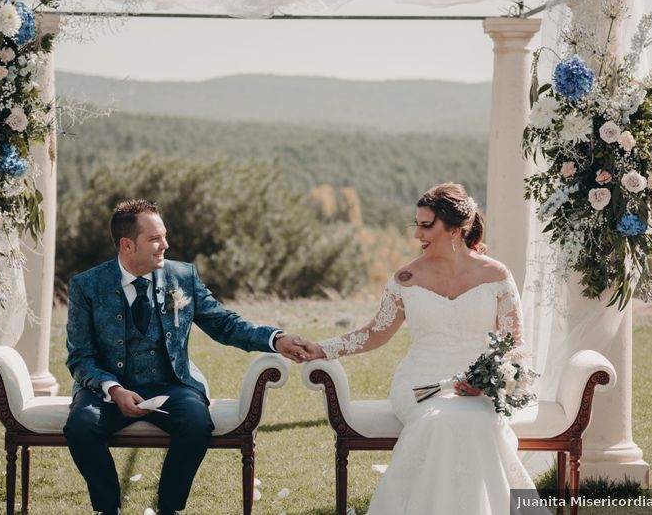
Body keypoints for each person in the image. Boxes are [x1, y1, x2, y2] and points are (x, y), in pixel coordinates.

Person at [302, 183, 539, 514]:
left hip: (478, 390)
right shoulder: (406, 278)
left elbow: (515, 345)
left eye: (426, 225)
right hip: (419, 384)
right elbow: (375, 333)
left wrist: (489, 382)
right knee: (438, 422)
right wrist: (321, 349)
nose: (417, 234)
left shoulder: (497, 276)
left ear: (456, 229)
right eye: (417, 224)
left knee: (481, 424)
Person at [63, 199, 309, 515]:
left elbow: (224, 324)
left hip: (172, 383)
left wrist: (276, 339)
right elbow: (80, 357)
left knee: (196, 423)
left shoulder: (183, 276)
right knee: (81, 427)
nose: (164, 244)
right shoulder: (87, 286)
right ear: (127, 245)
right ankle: (109, 509)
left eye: (163, 236)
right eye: (154, 239)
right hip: (109, 389)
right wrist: (113, 389)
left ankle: (169, 509)